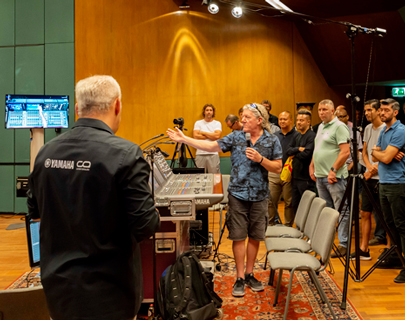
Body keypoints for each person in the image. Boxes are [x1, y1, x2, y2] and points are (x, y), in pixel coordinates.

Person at [27, 75, 160, 320]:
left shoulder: (45, 153)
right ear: (117, 105)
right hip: (110, 293)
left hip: (59, 289)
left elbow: (34, 211)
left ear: (78, 109)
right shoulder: (127, 154)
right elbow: (145, 226)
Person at [167, 103, 282, 297]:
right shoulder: (236, 137)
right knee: (238, 235)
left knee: (255, 236)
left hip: (260, 195)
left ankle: (249, 274)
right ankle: (239, 277)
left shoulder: (272, 140)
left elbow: (278, 167)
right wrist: (184, 139)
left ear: (259, 120)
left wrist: (261, 159)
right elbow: (212, 146)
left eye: (247, 117)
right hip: (237, 194)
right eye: (242, 117)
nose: (242, 120)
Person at [371, 98, 405, 283]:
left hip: (397, 183)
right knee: (389, 224)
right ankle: (396, 257)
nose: (382, 113)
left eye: (386, 110)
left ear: (395, 112)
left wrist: (382, 154)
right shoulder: (384, 130)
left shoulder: (401, 131)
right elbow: (375, 153)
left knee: (401, 224)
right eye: (380, 110)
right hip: (383, 182)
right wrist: (382, 153)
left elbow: (386, 157)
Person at [309, 99, 350, 258]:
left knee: (341, 210)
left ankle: (344, 243)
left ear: (332, 111)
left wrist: (333, 170)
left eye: (325, 109)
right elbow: (318, 149)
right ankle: (327, 241)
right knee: (327, 211)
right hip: (320, 176)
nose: (321, 112)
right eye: (319, 110)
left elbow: (345, 152)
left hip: (335, 177)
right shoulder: (320, 126)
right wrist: (312, 165)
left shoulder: (339, 126)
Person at [351, 99, 387, 261]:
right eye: (365, 110)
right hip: (368, 175)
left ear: (379, 111)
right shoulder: (367, 128)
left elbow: (390, 155)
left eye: (369, 110)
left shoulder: (386, 129)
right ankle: (363, 249)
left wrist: (374, 168)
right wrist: (368, 166)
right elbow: (363, 152)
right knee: (365, 212)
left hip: (383, 177)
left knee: (386, 215)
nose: (366, 113)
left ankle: (388, 250)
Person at [268, 111, 298, 226]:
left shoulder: (297, 136)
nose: (282, 121)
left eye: (285, 119)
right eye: (280, 119)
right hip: (274, 173)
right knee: (270, 201)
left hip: (289, 173)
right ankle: (270, 225)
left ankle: (288, 226)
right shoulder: (274, 136)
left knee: (289, 202)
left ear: (291, 120)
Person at [286, 109, 316, 215]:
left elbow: (307, 155)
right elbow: (288, 151)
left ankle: (308, 230)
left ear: (308, 122)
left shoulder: (312, 136)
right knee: (296, 206)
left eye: (302, 120)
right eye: (298, 120)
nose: (298, 122)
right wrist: (298, 149)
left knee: (307, 207)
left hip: (306, 178)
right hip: (295, 177)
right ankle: (298, 229)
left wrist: (295, 154)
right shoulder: (296, 135)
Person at [193, 104, 222, 173]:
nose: (209, 112)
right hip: (200, 153)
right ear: (204, 112)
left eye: (210, 110)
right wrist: (211, 135)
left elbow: (217, 136)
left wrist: (204, 132)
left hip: (213, 153)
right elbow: (195, 136)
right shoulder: (198, 123)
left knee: (215, 177)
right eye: (207, 110)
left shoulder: (217, 123)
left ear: (213, 112)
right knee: (199, 176)